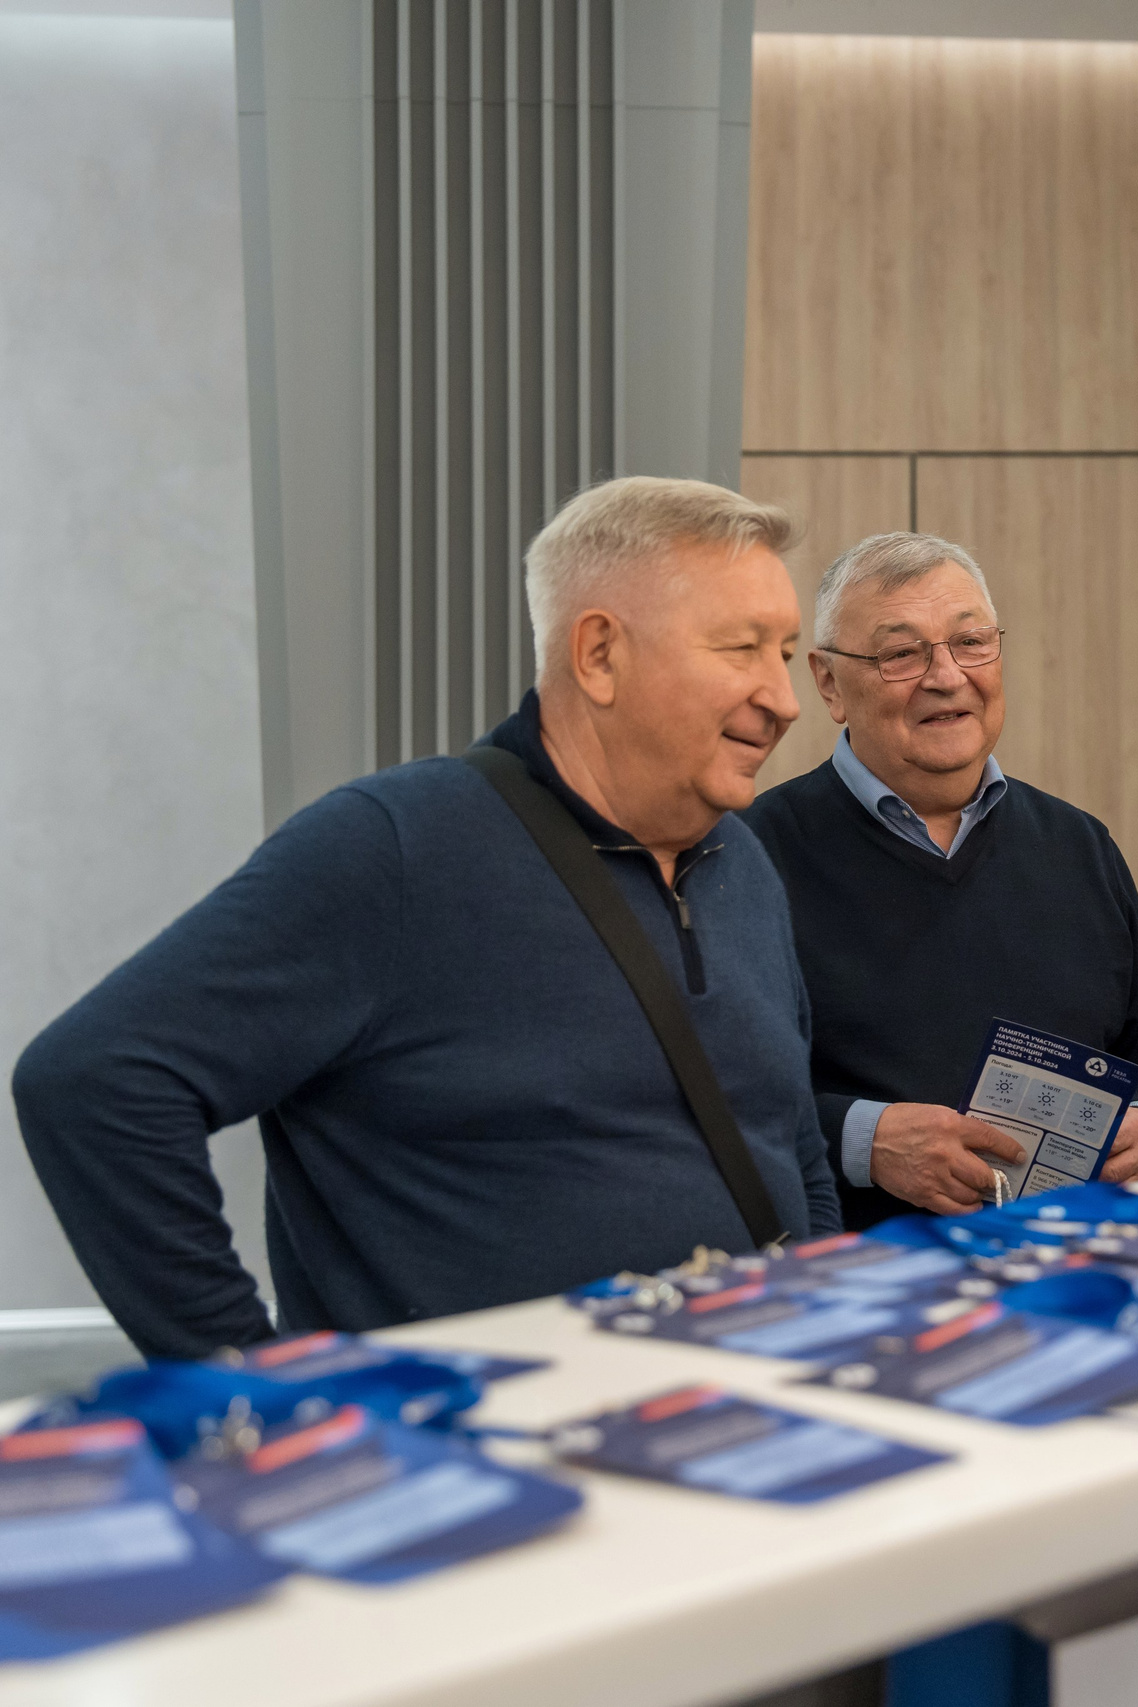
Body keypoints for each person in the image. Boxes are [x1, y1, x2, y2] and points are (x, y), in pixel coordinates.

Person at [12, 477, 840, 1359]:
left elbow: (785, 1136)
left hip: (758, 1414)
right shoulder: (394, 847)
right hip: (478, 1438)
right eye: (742, 649)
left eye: (786, 653)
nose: (784, 698)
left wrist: (822, 1320)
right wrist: (248, 1382)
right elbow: (96, 1083)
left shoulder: (744, 862)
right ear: (599, 654)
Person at [744, 532, 1138, 1223]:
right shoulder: (748, 858)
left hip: (1075, 1253)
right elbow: (713, 1097)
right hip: (861, 1270)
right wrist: (865, 1141)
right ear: (829, 682)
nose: (947, 676)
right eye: (902, 653)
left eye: (971, 642)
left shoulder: (1080, 845)